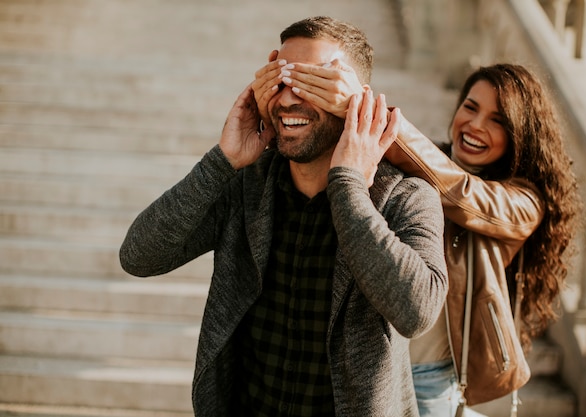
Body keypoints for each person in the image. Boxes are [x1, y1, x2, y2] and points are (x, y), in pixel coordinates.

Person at [119, 16, 448, 417]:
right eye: (281, 79)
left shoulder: (405, 196)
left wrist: (348, 187)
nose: (289, 97)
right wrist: (221, 162)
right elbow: (139, 255)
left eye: (315, 83)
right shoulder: (246, 185)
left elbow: (417, 313)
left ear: (354, 98)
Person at [260, 62, 583, 416]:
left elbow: (461, 193)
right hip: (368, 364)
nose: (475, 125)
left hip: (428, 380)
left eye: (498, 120)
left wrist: (362, 106)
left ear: (522, 134)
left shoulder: (523, 203)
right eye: (470, 107)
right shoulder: (420, 165)